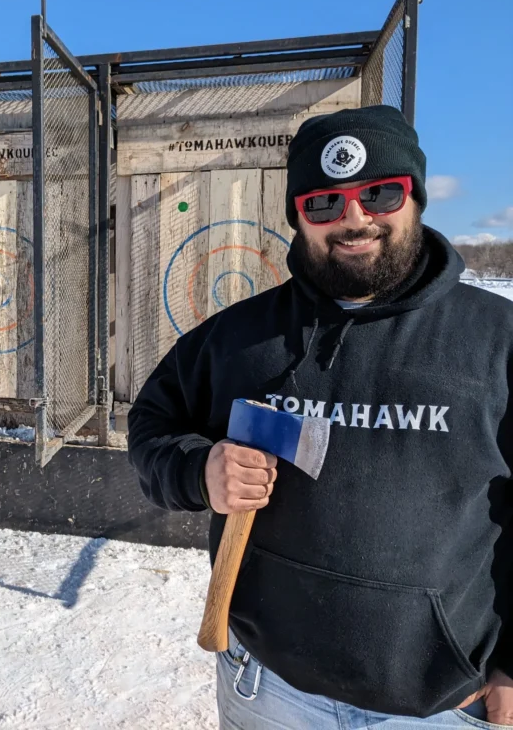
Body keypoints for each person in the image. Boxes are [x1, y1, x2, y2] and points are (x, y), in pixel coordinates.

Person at [127, 105, 513, 728]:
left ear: (414, 196)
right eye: (324, 203)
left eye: (379, 193)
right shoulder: (239, 339)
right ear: (298, 216)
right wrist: (200, 470)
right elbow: (150, 424)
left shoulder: (496, 341)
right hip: (267, 686)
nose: (354, 219)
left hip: (438, 705)